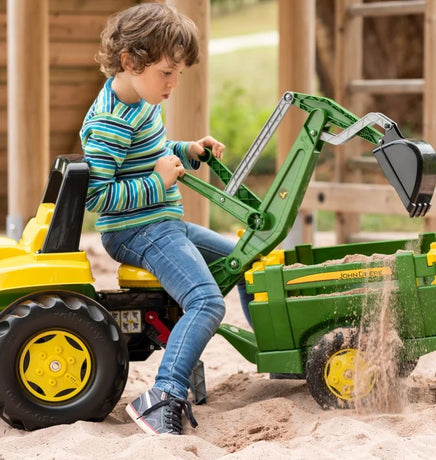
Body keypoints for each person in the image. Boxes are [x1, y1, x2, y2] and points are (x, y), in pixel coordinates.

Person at [80, 2, 251, 436]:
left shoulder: (141, 99)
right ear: (130, 61)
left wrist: (184, 151)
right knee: (207, 301)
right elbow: (98, 197)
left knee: (247, 257)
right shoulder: (109, 122)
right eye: (167, 72)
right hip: (135, 230)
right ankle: (164, 395)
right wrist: (158, 184)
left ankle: (274, 355)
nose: (174, 83)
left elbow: (148, 156)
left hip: (162, 223)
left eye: (179, 73)